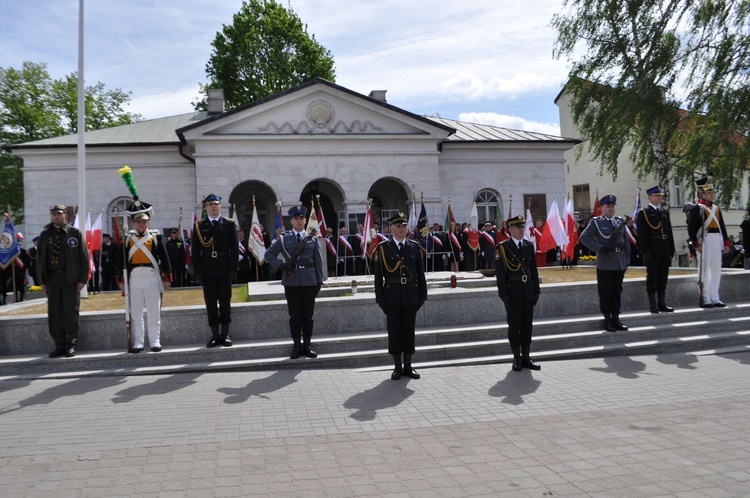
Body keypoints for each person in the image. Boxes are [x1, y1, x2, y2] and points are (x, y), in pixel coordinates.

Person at [265, 205, 325, 359]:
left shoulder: (312, 238)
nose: (299, 221)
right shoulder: (284, 238)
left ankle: (307, 346)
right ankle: (296, 346)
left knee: (308, 316)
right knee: (295, 316)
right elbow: (268, 254)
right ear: (291, 221)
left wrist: (319, 281)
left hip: (310, 281)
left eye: (301, 218)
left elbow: (318, 262)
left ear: (305, 220)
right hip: (291, 282)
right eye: (296, 219)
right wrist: (281, 265)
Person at [374, 213, 427, 380]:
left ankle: (408, 366)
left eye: (404, 226)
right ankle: (397, 366)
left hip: (411, 295)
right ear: (392, 228)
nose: (402, 228)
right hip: (392, 295)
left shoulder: (414, 246)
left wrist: (423, 295)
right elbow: (378, 276)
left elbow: (420, 273)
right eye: (398, 226)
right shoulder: (383, 248)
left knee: (409, 331)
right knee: (395, 331)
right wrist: (380, 299)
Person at [117, 201, 172, 353]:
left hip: (151, 277)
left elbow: (164, 257)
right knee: (135, 314)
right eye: (138, 222)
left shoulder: (155, 237)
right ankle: (138, 343)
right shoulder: (127, 239)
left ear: (149, 222)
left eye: (144, 221)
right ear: (133, 223)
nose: (141, 224)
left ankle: (155, 341)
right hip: (134, 278)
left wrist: (167, 277)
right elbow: (120, 261)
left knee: (154, 312)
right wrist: (120, 280)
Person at [36, 204, 89, 357]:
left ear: (65, 215)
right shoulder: (45, 235)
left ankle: (71, 344)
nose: (56, 217)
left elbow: (84, 258)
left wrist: (82, 280)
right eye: (53, 214)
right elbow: (40, 259)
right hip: (52, 278)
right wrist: (42, 281)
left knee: (70, 313)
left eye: (59, 214)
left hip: (70, 279)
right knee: (54, 313)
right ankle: (59, 344)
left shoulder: (74, 233)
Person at [192, 194, 239, 347]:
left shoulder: (229, 224)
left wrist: (233, 268)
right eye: (210, 204)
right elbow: (195, 251)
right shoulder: (199, 225)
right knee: (210, 303)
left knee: (225, 303)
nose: (213, 207)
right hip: (207, 270)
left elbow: (234, 248)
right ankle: (214, 334)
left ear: (220, 207)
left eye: (215, 204)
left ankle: (225, 334)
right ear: (205, 207)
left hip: (224, 268)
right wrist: (198, 271)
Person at [495, 215, 541, 371]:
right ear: (511, 229)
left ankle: (526, 357)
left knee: (527, 325)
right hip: (513, 293)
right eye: (519, 227)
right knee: (514, 327)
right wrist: (504, 295)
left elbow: (533, 270)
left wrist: (536, 290)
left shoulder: (528, 246)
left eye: (523, 227)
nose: (522, 230)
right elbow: (500, 274)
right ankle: (516, 358)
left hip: (527, 291)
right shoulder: (503, 247)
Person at [579, 195, 631, 332]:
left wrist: (627, 261)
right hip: (606, 263)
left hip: (619, 262)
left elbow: (626, 242)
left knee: (617, 292)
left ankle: (616, 319)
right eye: (608, 206)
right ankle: (608, 320)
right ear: (601, 208)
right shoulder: (596, 222)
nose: (611, 208)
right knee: (606, 292)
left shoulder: (619, 221)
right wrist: (599, 248)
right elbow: (583, 237)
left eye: (612, 206)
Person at [687, 179, 730, 308]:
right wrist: (695, 244)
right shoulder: (698, 209)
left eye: (713, 192)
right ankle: (705, 297)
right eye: (709, 192)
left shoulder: (716, 208)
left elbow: (721, 226)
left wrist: (726, 243)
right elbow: (691, 228)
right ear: (703, 194)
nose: (712, 195)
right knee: (704, 270)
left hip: (716, 239)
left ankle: (715, 297)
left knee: (716, 270)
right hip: (705, 240)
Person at [636, 186, 676, 313]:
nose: (659, 198)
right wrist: (645, 251)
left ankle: (662, 302)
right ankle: (653, 304)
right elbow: (642, 234)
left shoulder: (664, 213)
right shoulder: (644, 213)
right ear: (650, 197)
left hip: (664, 249)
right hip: (652, 250)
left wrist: (672, 249)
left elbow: (669, 232)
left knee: (663, 277)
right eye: (656, 196)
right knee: (652, 277)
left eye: (660, 196)